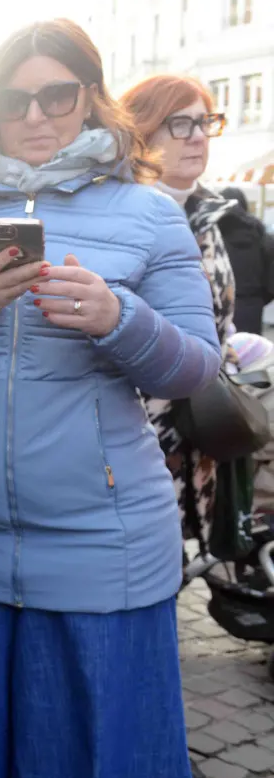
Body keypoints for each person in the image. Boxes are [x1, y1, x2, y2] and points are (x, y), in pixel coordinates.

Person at [0, 20, 221, 778]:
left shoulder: (147, 213)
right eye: (16, 100)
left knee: (98, 759)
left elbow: (197, 366)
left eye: (56, 94)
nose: (36, 116)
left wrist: (121, 320)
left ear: (90, 98)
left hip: (100, 548)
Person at [119, 75, 237, 543]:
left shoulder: (208, 216)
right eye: (180, 124)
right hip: (136, 438)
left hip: (198, 428)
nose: (198, 136)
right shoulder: (123, 218)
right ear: (142, 134)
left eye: (205, 122)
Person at [220, 186, 274, 334]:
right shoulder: (262, 235)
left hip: (219, 306)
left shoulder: (211, 235)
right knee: (251, 352)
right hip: (252, 305)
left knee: (221, 352)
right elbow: (271, 280)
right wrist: (258, 300)